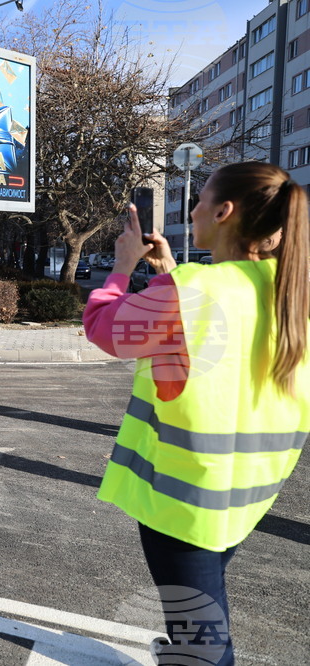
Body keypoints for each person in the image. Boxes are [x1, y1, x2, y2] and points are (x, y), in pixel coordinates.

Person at [83, 162, 309, 665]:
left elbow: (104, 328)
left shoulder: (192, 292)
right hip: (245, 498)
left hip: (183, 504)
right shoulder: (290, 293)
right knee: (200, 626)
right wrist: (168, 277)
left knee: (203, 646)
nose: (193, 209)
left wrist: (122, 267)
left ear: (225, 212)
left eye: (201, 199)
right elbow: (215, 350)